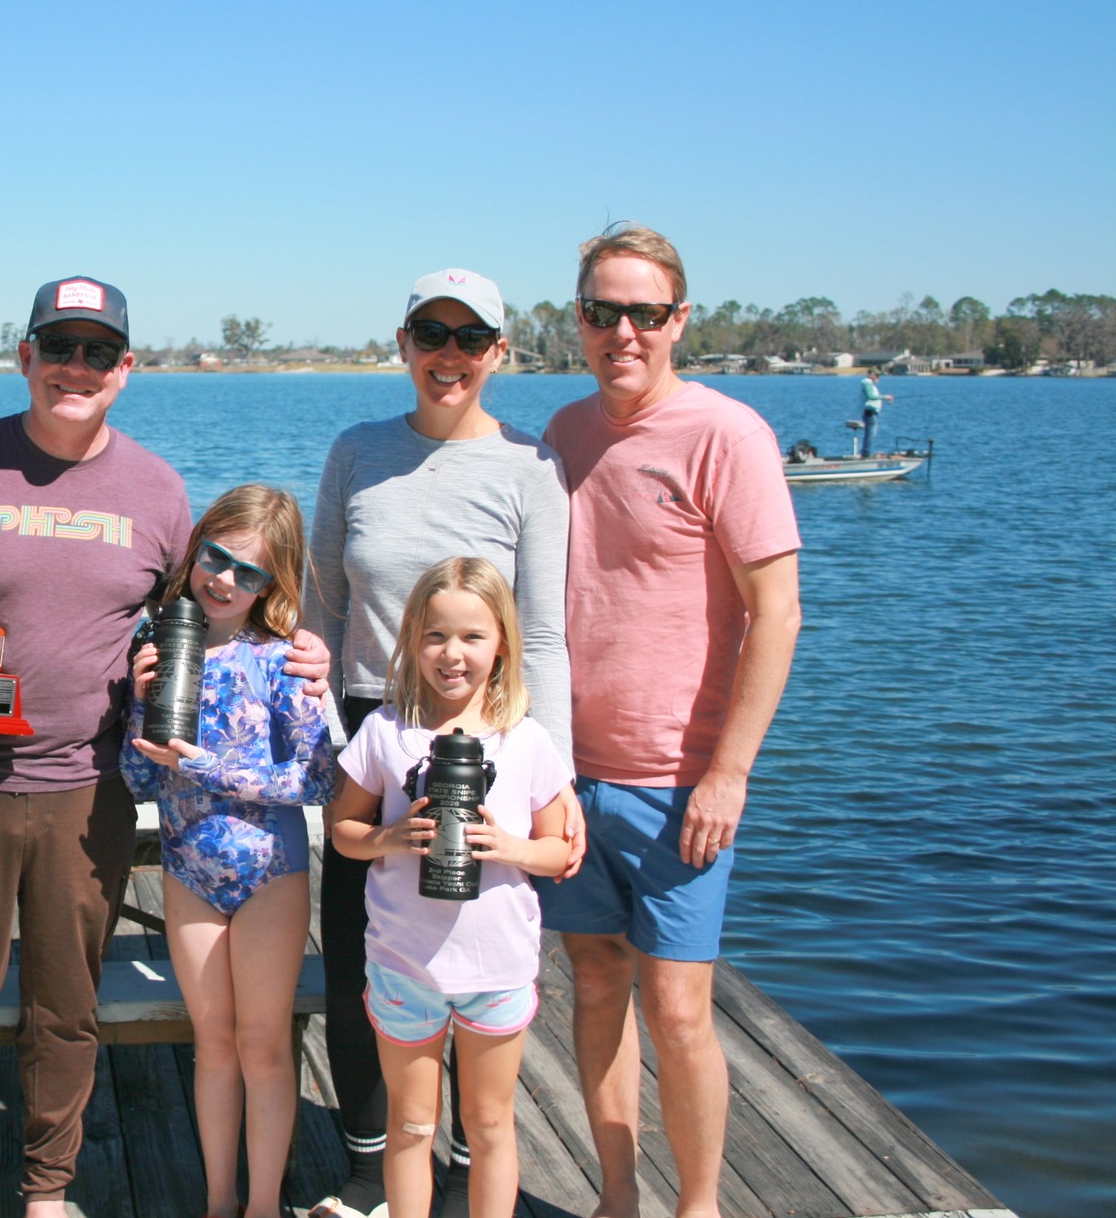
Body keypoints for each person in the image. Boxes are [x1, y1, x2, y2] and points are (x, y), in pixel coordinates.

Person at [0, 276, 328, 1217]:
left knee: (66, 1011)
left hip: (88, 789)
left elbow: (210, 609)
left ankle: (47, 1190)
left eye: (97, 351)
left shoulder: (157, 490)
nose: (76, 366)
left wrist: (301, 646)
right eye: (58, 346)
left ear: (126, 368)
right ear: (24, 355)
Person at [539, 223, 801, 1218]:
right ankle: (616, 1196)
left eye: (644, 313)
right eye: (602, 311)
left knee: (681, 1006)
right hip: (570, 774)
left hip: (678, 783)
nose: (623, 332)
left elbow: (776, 612)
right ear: (577, 319)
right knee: (595, 981)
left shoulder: (727, 434)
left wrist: (729, 772)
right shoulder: (564, 432)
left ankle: (698, 1205)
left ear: (678, 320)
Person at [305, 268, 576, 1218]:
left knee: (474, 938)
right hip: (374, 722)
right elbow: (322, 606)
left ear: (498, 351)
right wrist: (321, 737)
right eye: (431, 333)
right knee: (365, 956)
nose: (448, 354)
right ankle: (370, 1167)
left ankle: (464, 1169)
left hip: (488, 733)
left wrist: (556, 775)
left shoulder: (531, 466)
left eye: (470, 338)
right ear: (404, 342)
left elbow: (542, 633)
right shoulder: (357, 451)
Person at [331, 557, 572, 1218]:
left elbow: (558, 851)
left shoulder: (526, 739)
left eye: (472, 636)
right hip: (404, 964)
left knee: (489, 1124)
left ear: (503, 644)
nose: (452, 653)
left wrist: (511, 847)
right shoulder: (385, 730)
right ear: (412, 638)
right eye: (435, 635)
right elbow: (344, 830)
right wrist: (388, 837)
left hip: (497, 969)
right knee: (411, 1124)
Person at [123, 484, 338, 1218]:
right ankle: (219, 1201)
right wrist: (137, 705)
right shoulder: (156, 647)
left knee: (263, 1044)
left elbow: (317, 779)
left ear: (271, 584)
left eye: (249, 572)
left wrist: (209, 767)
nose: (224, 580)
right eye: (217, 558)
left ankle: (264, 1204)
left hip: (270, 873)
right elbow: (137, 778)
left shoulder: (281, 661)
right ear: (196, 547)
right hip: (188, 869)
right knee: (212, 1042)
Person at [859, 369, 893, 456]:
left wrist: (885, 398)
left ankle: (866, 452)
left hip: (872, 412)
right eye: (877, 375)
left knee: (871, 433)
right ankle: (867, 453)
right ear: (872, 375)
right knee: (871, 433)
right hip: (870, 412)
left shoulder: (870, 384)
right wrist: (885, 397)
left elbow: (874, 396)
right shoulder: (867, 383)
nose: (878, 378)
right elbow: (871, 396)